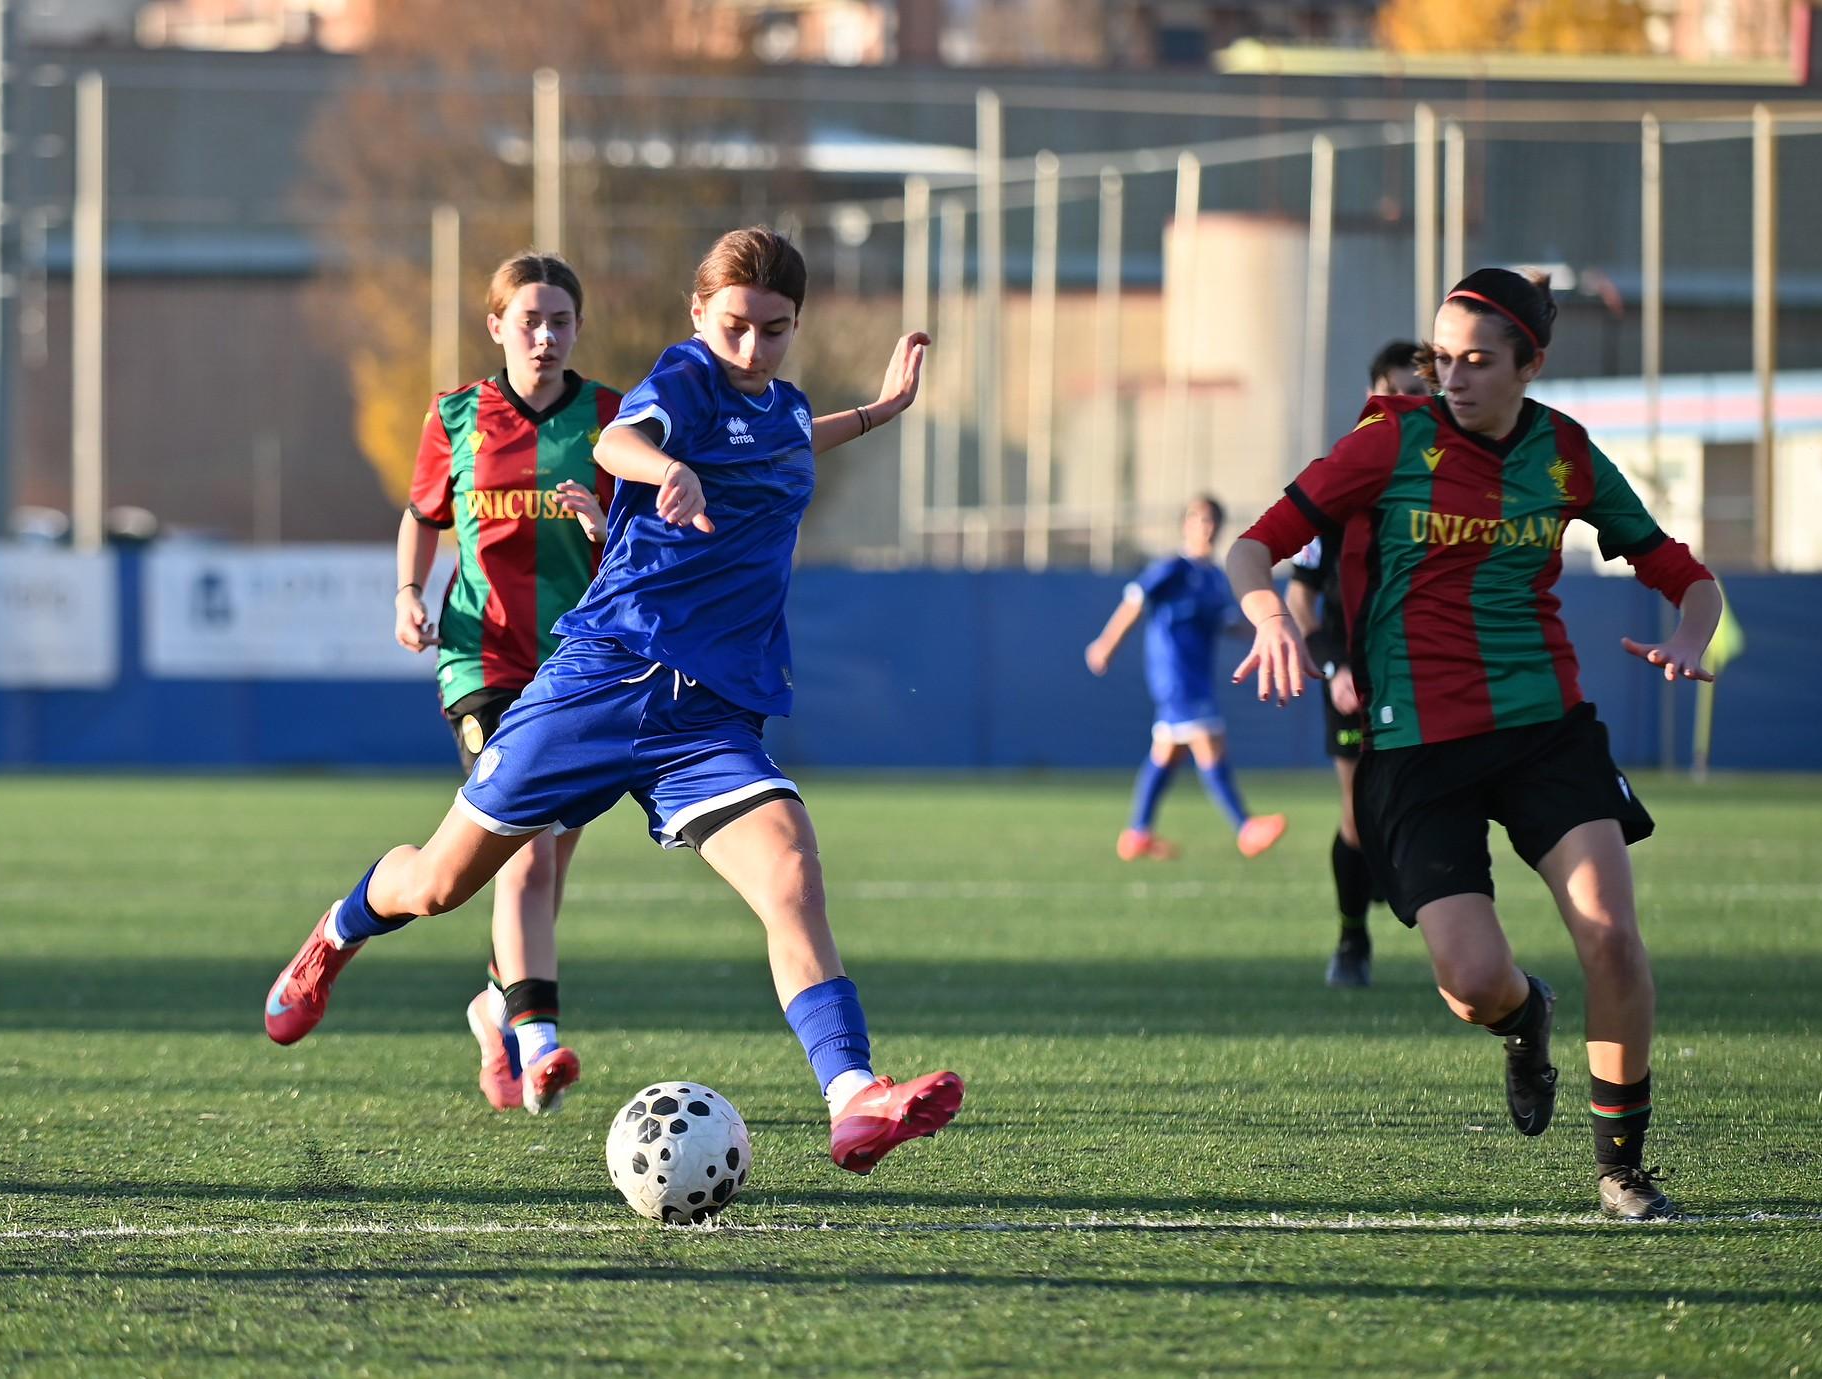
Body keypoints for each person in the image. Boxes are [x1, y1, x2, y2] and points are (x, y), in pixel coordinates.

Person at [266, 226, 963, 1175]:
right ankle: (336, 933)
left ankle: (852, 1098)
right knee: (438, 883)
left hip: (707, 715)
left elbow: (791, 433)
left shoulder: (782, 409)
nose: (751, 348)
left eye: (774, 329)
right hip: (601, 683)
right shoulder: (681, 381)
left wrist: (880, 410)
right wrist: (663, 468)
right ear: (696, 316)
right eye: (734, 327)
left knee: (792, 874)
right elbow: (616, 438)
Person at [1224, 267, 1721, 1220]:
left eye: (1477, 361)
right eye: (1440, 358)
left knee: (1611, 937)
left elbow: (1684, 575)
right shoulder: (1388, 443)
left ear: (1530, 365)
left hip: (1545, 729)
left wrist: (1688, 640)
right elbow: (1254, 545)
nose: (1452, 377)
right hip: (1413, 747)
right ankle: (1522, 1015)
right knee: (1472, 982)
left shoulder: (1566, 454)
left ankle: (1621, 1168)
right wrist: (1268, 618)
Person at [395, 251, 618, 1117]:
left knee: (550, 858)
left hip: (577, 664)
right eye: (528, 318)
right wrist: (408, 593)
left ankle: (494, 1004)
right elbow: (421, 518)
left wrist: (605, 522)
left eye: (560, 319)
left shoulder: (609, 418)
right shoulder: (455, 416)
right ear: (496, 326)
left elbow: (641, 535)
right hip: (482, 660)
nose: (545, 334)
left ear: (577, 328)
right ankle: (539, 1043)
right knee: (525, 843)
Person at [1286, 341, 1431, 988]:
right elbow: (1300, 599)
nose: (1410, 404)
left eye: (1420, 393)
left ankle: (1452, 937)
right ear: (1374, 397)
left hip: (1428, 672)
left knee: (1424, 808)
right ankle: (1351, 940)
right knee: (1356, 815)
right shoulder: (1341, 482)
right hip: (1351, 676)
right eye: (1398, 391)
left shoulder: (1446, 483)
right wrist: (1332, 665)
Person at [1086, 495, 1287, 862]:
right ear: (1186, 524)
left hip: (1198, 677)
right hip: (1176, 677)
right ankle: (1245, 827)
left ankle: (1137, 834)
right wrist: (1107, 643)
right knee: (1211, 742)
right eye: (1200, 519)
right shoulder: (1172, 569)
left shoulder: (1212, 577)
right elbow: (1134, 601)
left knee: (1167, 752)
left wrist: (1271, 628)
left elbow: (1227, 622)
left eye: (1213, 521)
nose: (1207, 528)